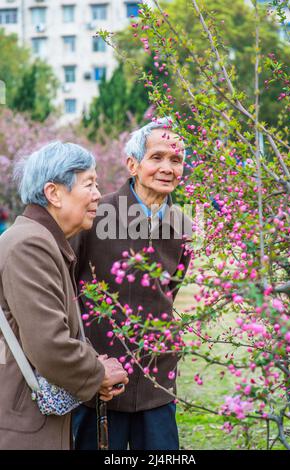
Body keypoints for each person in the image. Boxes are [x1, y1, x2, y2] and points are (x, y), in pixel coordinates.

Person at [71, 118, 192, 450]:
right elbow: (67, 290)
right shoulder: (95, 214)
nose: (167, 168)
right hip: (100, 382)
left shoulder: (182, 226)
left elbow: (170, 290)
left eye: (176, 159)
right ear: (133, 164)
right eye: (157, 158)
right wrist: (85, 363)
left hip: (157, 380)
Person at [0, 142, 128, 450]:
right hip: (23, 427)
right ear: (54, 193)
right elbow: (49, 344)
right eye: (89, 184)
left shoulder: (42, 240)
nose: (98, 194)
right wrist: (98, 373)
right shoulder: (31, 245)